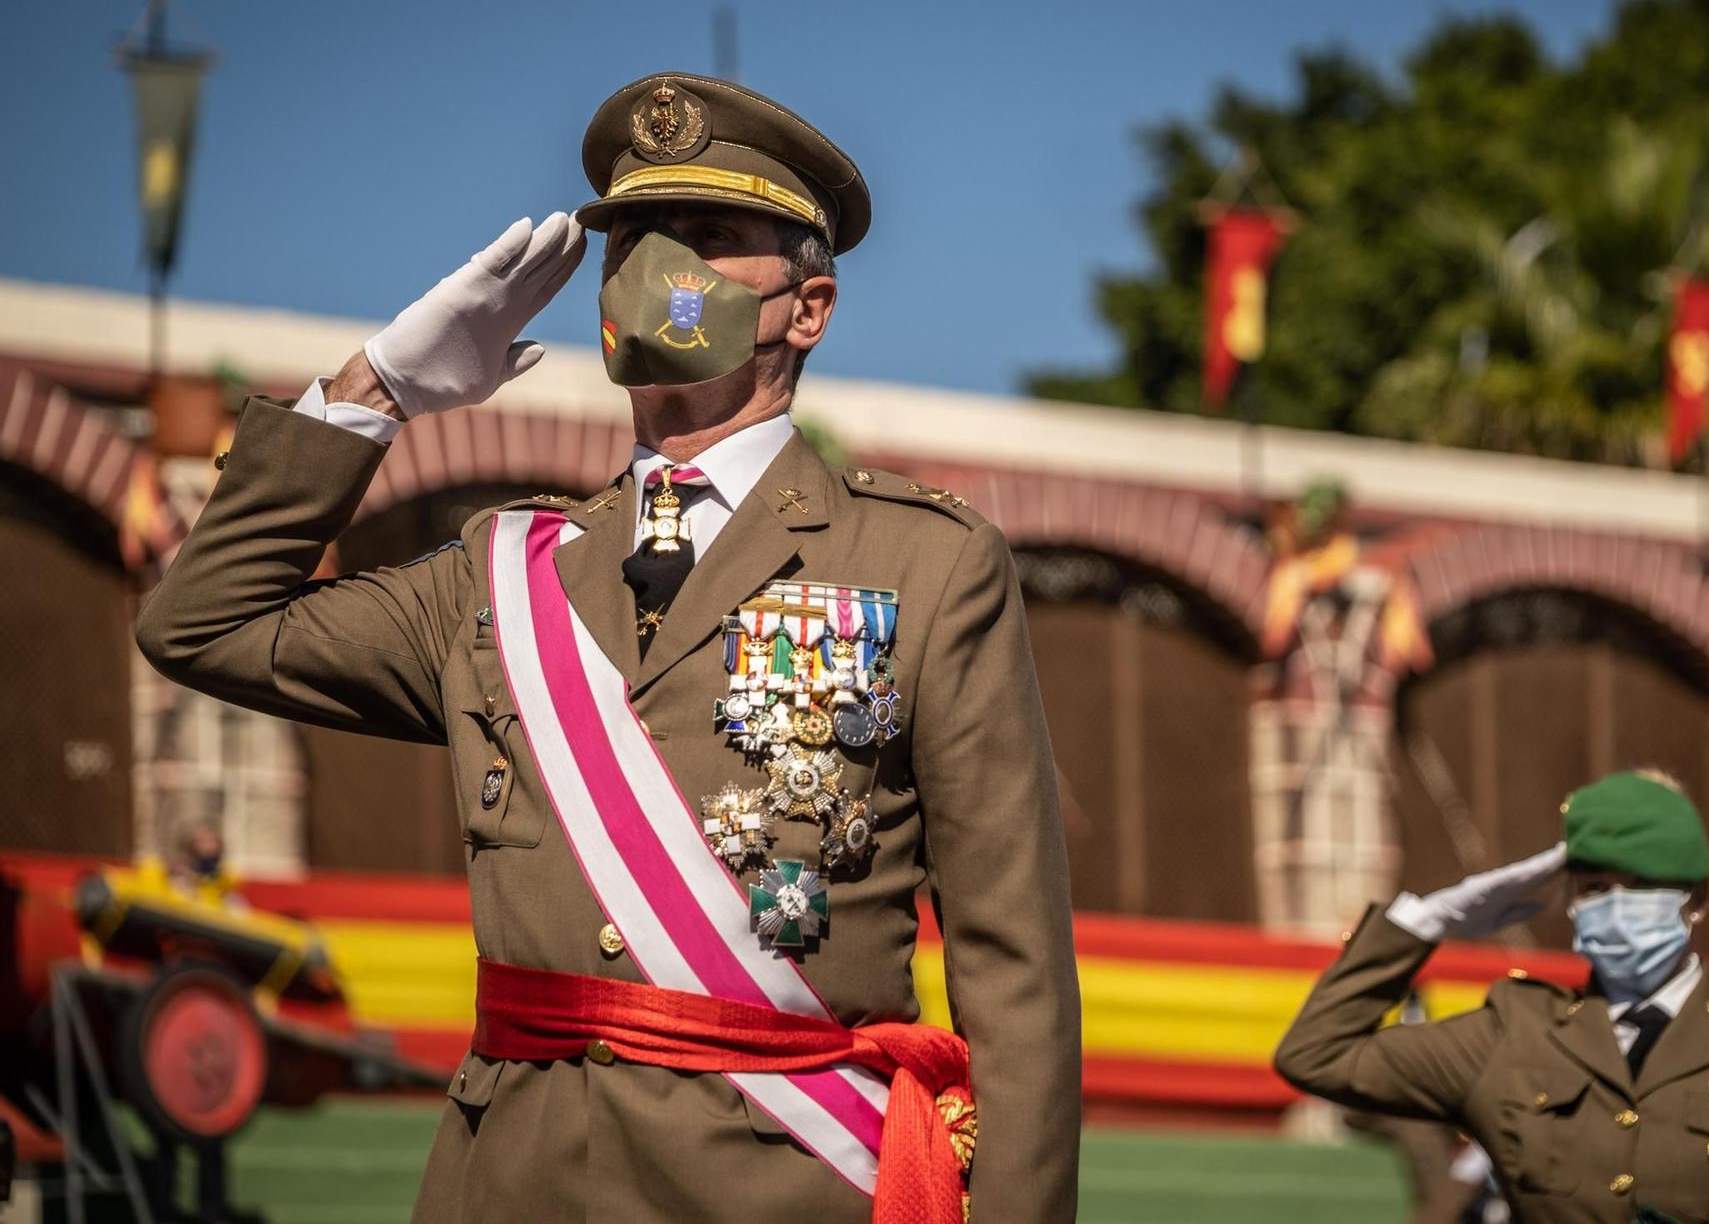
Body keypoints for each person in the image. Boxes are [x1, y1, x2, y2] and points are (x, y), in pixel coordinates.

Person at [136, 72, 1082, 1223]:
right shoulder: (502, 573)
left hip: (778, 1180)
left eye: (708, 237)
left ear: (807, 305)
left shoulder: (924, 564)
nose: (653, 271)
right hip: (513, 1179)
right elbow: (201, 621)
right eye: (630, 238)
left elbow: (1013, 970)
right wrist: (373, 392)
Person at [1273, 768, 1709, 1222]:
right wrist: (1427, 921)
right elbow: (1315, 1054)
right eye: (1597, 887)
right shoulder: (1515, 1032)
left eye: (1644, 884)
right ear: (1570, 901)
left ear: (1695, 901)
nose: (1619, 904)